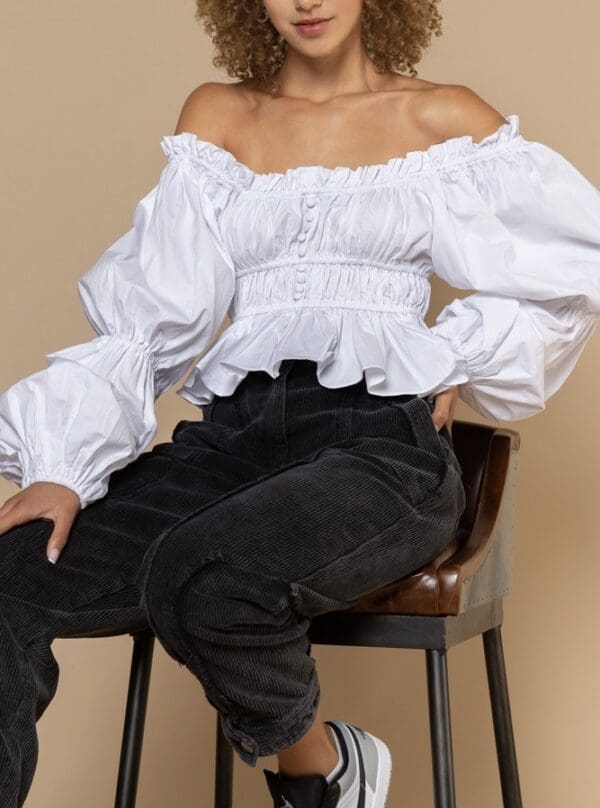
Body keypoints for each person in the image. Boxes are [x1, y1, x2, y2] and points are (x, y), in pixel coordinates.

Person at [0, 1, 599, 806]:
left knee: (205, 576)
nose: (306, 2)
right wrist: (63, 468)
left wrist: (455, 355)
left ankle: (320, 772)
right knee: (9, 577)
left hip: (380, 451)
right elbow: (148, 318)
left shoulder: (438, 116)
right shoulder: (218, 117)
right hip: (232, 446)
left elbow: (571, 269)